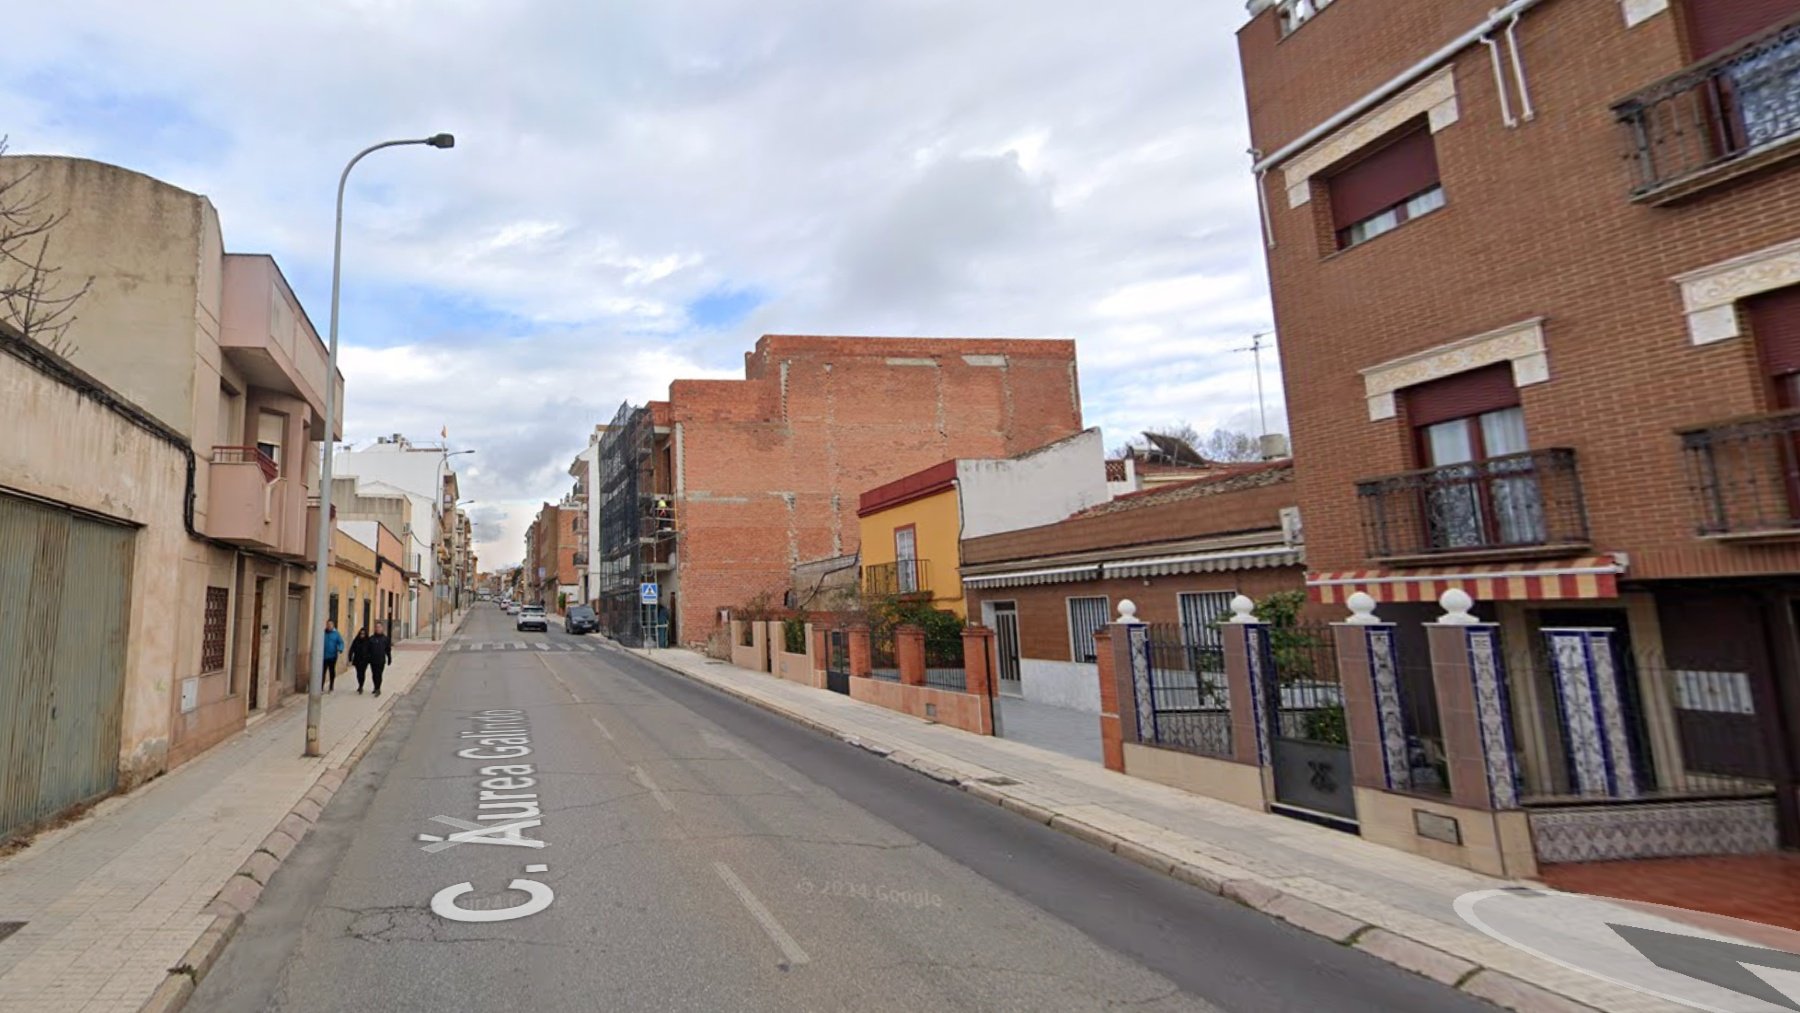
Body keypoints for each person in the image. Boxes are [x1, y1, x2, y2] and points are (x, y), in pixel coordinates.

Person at [368, 622, 394, 697]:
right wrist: (367, 658)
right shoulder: (371, 638)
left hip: (381, 660)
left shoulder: (385, 639)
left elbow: (388, 650)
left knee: (379, 674)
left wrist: (389, 658)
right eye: (376, 627)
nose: (378, 628)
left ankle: (378, 688)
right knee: (374, 675)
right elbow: (368, 650)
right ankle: (375, 686)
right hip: (373, 660)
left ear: (382, 628)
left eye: (379, 627)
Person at [322, 620, 345, 693]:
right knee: (322, 672)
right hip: (323, 656)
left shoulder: (336, 634)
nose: (329, 626)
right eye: (328, 624)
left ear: (333, 625)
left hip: (332, 656)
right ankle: (321, 686)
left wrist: (340, 649)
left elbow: (341, 642)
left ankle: (331, 686)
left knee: (332, 671)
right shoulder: (323, 633)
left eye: (330, 625)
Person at [349, 626, 371, 694]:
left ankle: (361, 686)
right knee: (358, 673)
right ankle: (360, 684)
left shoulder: (368, 641)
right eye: (361, 633)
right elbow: (352, 649)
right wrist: (350, 657)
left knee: (362, 673)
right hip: (357, 659)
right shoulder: (356, 640)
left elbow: (371, 650)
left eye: (363, 634)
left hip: (365, 660)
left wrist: (370, 658)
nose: (362, 635)